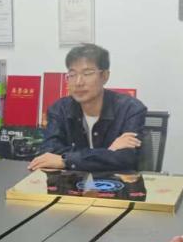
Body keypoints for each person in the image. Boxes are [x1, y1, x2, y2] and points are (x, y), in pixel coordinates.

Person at [29, 43, 146, 173]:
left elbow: (127, 158)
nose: (78, 82)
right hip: (70, 182)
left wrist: (66, 160)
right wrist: (108, 152)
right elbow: (49, 151)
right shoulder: (59, 109)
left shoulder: (130, 109)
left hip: (115, 183)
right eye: (72, 74)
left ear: (104, 76)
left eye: (87, 73)